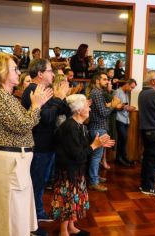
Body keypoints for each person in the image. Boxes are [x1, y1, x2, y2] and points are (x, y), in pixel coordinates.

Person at [0, 53, 52, 236]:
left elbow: (24, 123)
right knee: (11, 209)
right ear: (1, 71)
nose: (18, 72)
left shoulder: (8, 97)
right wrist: (36, 105)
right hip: (9, 160)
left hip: (15, 160)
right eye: (14, 69)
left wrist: (36, 106)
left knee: (16, 208)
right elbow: (22, 126)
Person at [50, 94, 115, 236]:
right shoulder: (70, 127)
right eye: (87, 106)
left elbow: (84, 151)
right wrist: (94, 145)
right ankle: (63, 232)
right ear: (79, 110)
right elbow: (78, 154)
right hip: (67, 172)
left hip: (76, 170)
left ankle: (71, 227)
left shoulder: (80, 126)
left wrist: (98, 145)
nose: (90, 109)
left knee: (73, 200)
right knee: (67, 200)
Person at [21, 58, 70, 225]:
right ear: (40, 74)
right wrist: (58, 99)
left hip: (47, 144)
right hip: (39, 145)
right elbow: (47, 118)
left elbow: (61, 110)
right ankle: (34, 215)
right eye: (50, 71)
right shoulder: (32, 91)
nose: (53, 74)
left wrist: (61, 98)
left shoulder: (43, 89)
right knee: (37, 182)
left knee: (41, 181)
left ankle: (37, 212)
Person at [88, 72, 121, 192]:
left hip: (99, 127)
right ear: (97, 81)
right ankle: (93, 182)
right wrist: (113, 105)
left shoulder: (99, 93)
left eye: (107, 79)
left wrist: (109, 105)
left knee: (97, 156)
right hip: (98, 128)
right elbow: (104, 113)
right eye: (104, 79)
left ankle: (95, 177)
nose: (107, 81)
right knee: (96, 157)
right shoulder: (96, 93)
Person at [114, 79, 137, 166]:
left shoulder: (127, 93)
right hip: (119, 119)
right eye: (131, 87)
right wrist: (126, 107)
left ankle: (123, 157)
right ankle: (120, 158)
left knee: (124, 140)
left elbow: (125, 105)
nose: (132, 89)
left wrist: (129, 108)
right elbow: (115, 106)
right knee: (122, 139)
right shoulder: (117, 92)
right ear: (127, 84)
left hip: (126, 119)